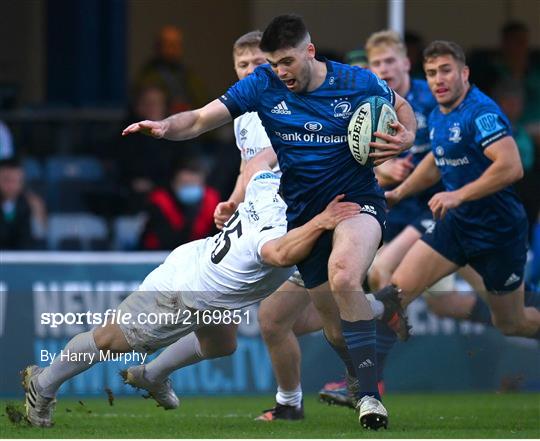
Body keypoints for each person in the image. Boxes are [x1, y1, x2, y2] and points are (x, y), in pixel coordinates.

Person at [122, 14, 417, 429]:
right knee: (333, 330)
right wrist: (166, 126)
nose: (281, 72)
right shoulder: (262, 86)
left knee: (344, 275)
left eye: (287, 62)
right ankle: (360, 363)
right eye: (274, 64)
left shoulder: (356, 81)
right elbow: (204, 118)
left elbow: (402, 109)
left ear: (309, 52)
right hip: (301, 214)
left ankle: (369, 396)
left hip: (357, 200)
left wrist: (406, 135)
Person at [22, 163, 360, 428]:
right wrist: (323, 221)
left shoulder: (267, 181)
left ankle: (151, 375)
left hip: (200, 263)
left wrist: (232, 202)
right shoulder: (280, 226)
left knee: (222, 344)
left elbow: (258, 163)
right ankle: (45, 383)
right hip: (187, 294)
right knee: (109, 339)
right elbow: (280, 255)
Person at [374, 40, 540, 341]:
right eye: (432, 72)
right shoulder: (439, 112)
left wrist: (458, 194)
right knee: (394, 294)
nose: (439, 79)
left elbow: (511, 166)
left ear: (464, 73)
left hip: (497, 230)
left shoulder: (481, 113)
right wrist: (399, 193)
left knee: (511, 323)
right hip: (456, 224)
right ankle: (363, 382)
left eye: (446, 70)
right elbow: (437, 161)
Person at [140, 158, 220, 250]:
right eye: (185, 184)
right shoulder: (159, 204)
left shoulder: (214, 203)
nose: (190, 188)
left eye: (194, 184)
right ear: (173, 184)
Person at [135, 25, 207, 114]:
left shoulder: (188, 73)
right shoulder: (148, 75)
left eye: (176, 45)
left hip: (189, 121)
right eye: (168, 45)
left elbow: (203, 100)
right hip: (163, 122)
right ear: (158, 47)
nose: (172, 50)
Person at [0, 158, 46, 249]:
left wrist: (37, 212)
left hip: (24, 257)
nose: (11, 185)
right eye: (6, 180)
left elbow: (39, 236)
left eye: (16, 180)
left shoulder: (32, 204)